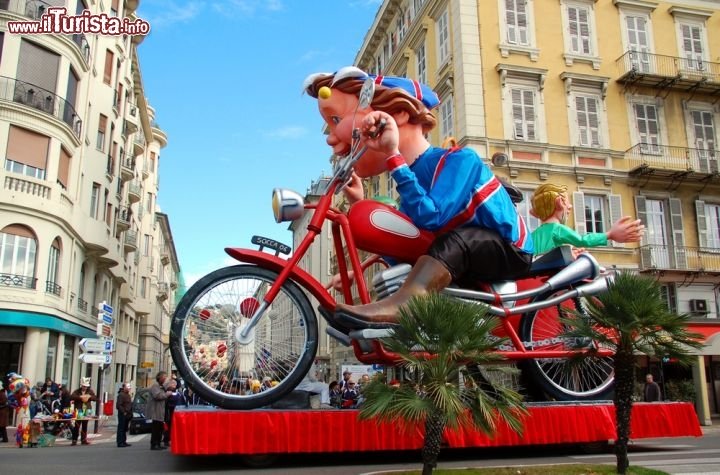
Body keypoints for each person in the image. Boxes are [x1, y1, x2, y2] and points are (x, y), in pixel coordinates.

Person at [304, 67, 534, 328]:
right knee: (447, 242)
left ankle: (408, 305)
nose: (331, 139)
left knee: (459, 239)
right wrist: (360, 203)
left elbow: (432, 216)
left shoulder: (460, 160)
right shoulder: (411, 183)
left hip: (509, 251)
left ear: (398, 115)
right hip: (465, 258)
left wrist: (393, 156)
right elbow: (409, 249)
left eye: (337, 119)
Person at [529, 183, 644, 256]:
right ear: (559, 203)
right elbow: (582, 240)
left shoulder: (532, 235)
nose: (570, 207)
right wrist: (609, 235)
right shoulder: (557, 229)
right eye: (567, 203)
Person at [146, 371, 172, 450]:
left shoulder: (160, 386)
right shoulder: (155, 386)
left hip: (160, 411)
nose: (165, 379)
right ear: (159, 378)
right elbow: (157, 396)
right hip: (156, 411)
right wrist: (166, 394)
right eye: (164, 377)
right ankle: (154, 444)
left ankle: (158, 443)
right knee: (156, 429)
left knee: (160, 428)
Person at [70, 377, 97, 446]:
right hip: (79, 409)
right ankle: (74, 439)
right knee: (77, 425)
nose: (85, 388)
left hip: (87, 409)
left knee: (85, 425)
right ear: (81, 385)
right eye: (84, 386)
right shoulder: (77, 391)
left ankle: (84, 439)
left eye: (86, 386)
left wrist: (89, 397)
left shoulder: (90, 391)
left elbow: (94, 398)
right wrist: (80, 397)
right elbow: (72, 396)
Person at [116, 382, 133, 448]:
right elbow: (119, 405)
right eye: (127, 387)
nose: (129, 388)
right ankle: (120, 442)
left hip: (127, 414)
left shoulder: (127, 395)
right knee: (121, 428)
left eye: (129, 387)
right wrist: (124, 412)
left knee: (125, 428)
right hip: (123, 414)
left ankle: (123, 441)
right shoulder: (121, 395)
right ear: (124, 387)